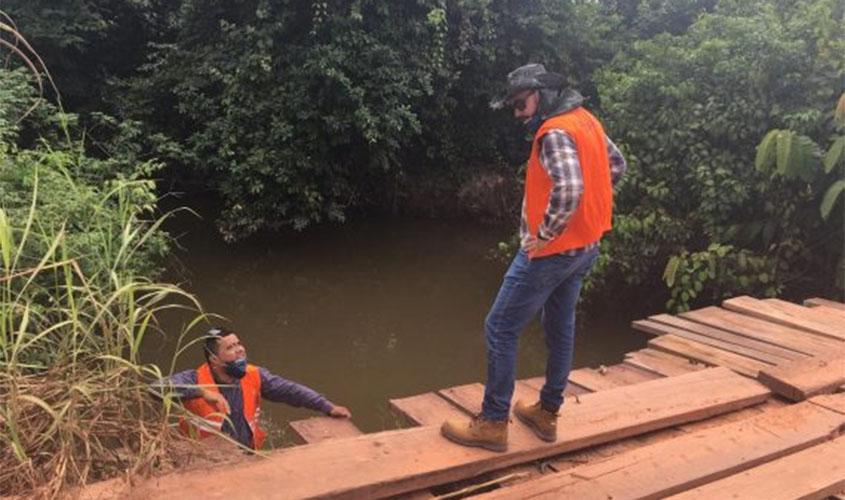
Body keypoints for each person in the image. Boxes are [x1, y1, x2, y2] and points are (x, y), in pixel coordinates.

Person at [440, 63, 627, 452]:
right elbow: (616, 165)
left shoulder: (555, 132)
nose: (517, 113)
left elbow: (570, 188)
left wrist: (545, 234)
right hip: (585, 247)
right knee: (560, 326)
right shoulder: (585, 120)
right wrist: (584, 215)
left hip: (551, 252)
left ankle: (493, 423)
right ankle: (547, 412)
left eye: (520, 103)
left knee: (499, 327)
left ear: (540, 96)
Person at [158, 327, 351, 450]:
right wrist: (202, 392)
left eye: (238, 344)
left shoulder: (254, 375)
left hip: (247, 455)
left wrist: (327, 406)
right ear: (214, 359)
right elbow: (155, 388)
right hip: (206, 462)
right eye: (230, 347)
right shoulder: (194, 379)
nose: (239, 350)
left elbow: (290, 390)